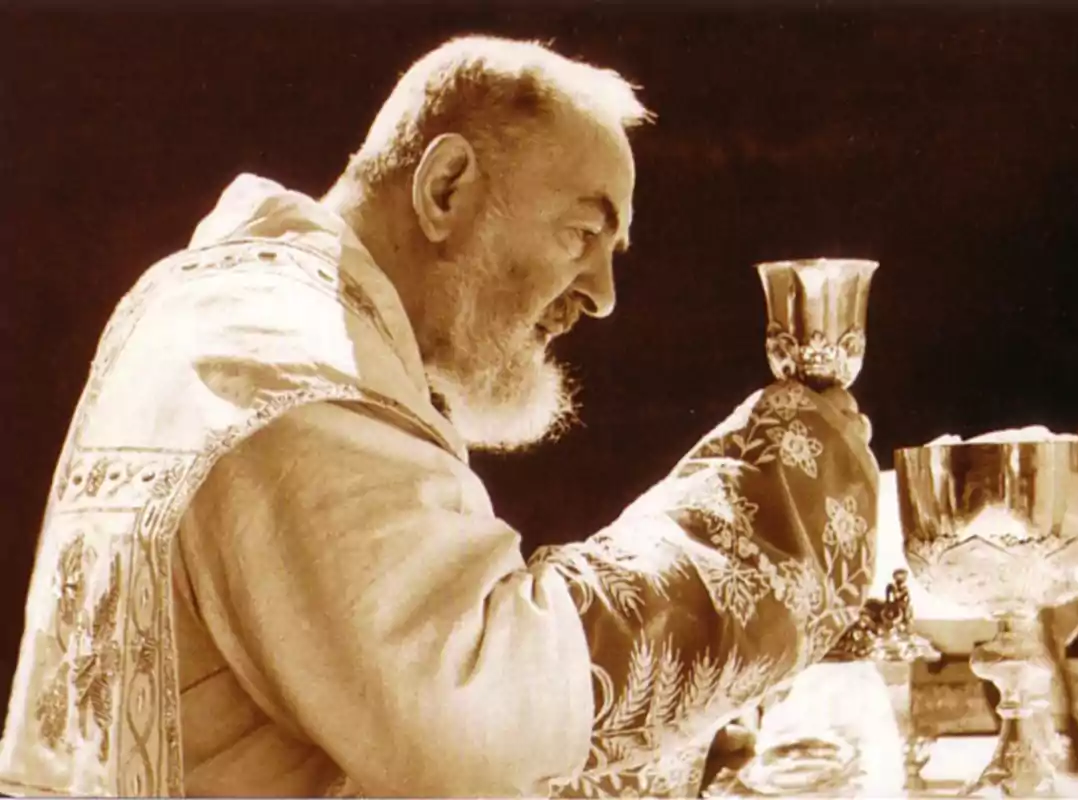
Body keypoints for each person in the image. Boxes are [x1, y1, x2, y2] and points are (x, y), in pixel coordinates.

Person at [0, 35, 878, 798]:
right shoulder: (291, 370)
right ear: (446, 187)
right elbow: (476, 720)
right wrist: (763, 507)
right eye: (582, 232)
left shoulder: (229, 306)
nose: (604, 296)